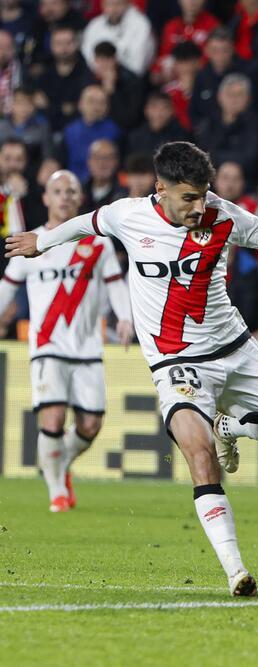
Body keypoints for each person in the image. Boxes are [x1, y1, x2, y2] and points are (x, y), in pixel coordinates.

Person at [4, 141, 258, 596]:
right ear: (159, 188)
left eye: (204, 194)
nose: (199, 207)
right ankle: (236, 571)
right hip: (175, 362)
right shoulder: (128, 215)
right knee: (199, 458)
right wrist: (41, 242)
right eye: (188, 197)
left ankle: (233, 427)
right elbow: (88, 223)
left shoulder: (227, 217)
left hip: (237, 349)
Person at [0, 170, 132, 512]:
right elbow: (7, 287)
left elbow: (116, 284)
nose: (64, 197)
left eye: (71, 191)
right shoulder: (31, 241)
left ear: (80, 198)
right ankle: (57, 491)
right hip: (46, 347)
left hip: (88, 346)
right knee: (53, 419)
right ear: (45, 198)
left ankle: (56, 464)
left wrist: (126, 318)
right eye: (57, 191)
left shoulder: (96, 243)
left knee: (90, 425)